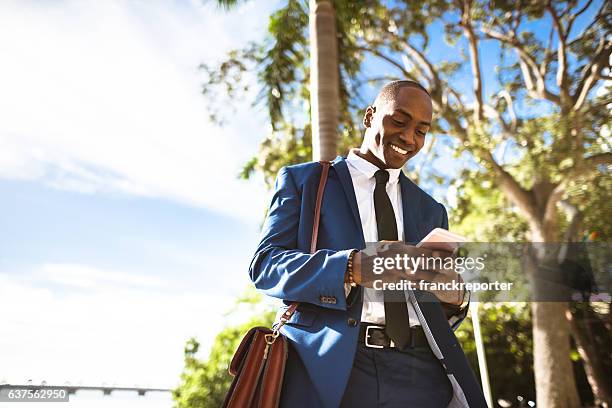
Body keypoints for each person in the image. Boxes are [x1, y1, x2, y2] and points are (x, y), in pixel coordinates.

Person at [249, 80, 487, 408]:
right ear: (370, 116)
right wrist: (351, 267)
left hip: (421, 372)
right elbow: (266, 266)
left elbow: (444, 303)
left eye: (421, 130)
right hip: (335, 367)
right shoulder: (304, 182)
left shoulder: (432, 210)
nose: (408, 138)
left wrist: (454, 297)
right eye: (399, 121)